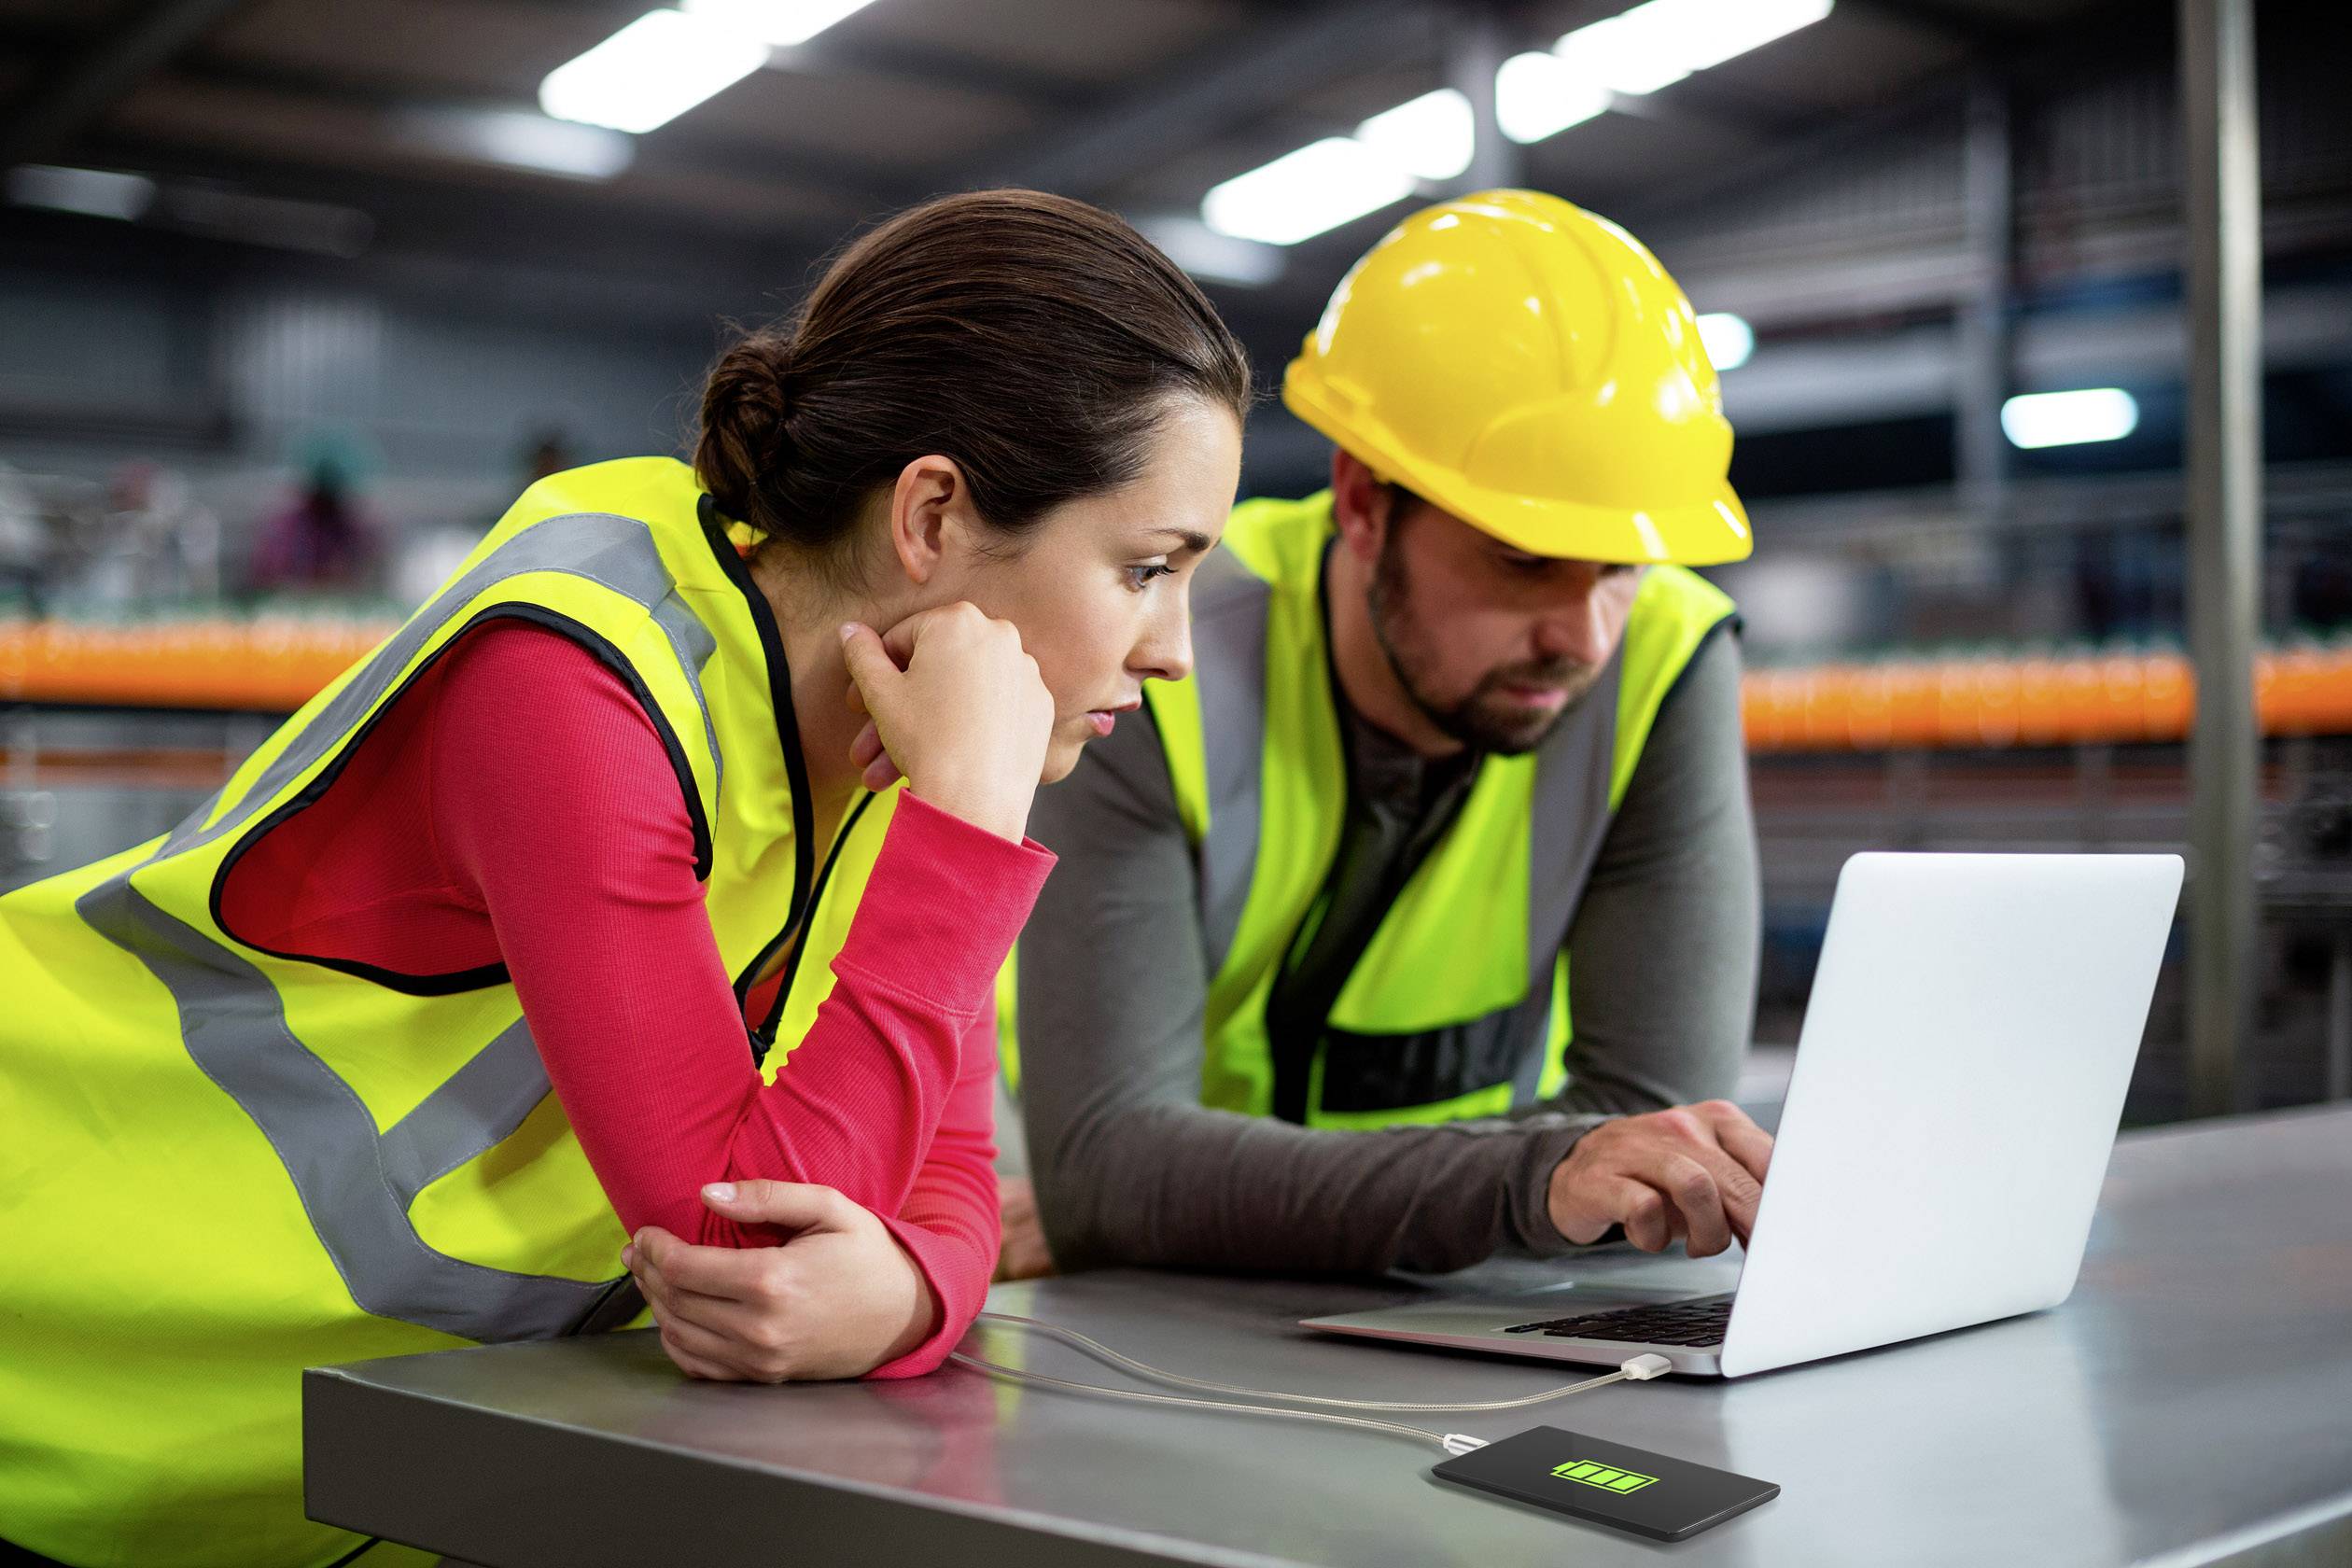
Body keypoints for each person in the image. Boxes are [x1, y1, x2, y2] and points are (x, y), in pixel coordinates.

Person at [0, 189, 1249, 1568]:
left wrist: (902, 1293)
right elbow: (746, 1248)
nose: (1174, 650)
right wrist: (963, 831)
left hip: (283, 1470)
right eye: (1146, 569)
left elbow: (946, 1183)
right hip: (49, 1334)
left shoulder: (915, 748)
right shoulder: (576, 687)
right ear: (934, 517)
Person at [997, 189, 1773, 1282]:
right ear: (1362, 503)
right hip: (1140, 1318)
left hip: (1460, 1304)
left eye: (1621, 570)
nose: (1582, 636)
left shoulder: (1667, 662)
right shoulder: (1158, 660)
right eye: (1522, 561)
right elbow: (1111, 1167)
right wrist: (1530, 1176)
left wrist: (1192, 1193)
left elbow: (1651, 1130)